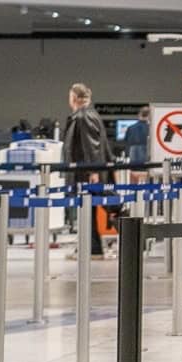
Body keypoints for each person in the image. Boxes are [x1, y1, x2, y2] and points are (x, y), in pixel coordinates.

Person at [63, 83, 111, 256]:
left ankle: (91, 247)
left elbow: (91, 146)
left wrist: (93, 171)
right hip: (86, 171)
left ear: (74, 98)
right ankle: (91, 246)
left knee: (90, 208)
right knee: (88, 210)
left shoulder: (83, 117)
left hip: (85, 173)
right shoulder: (87, 115)